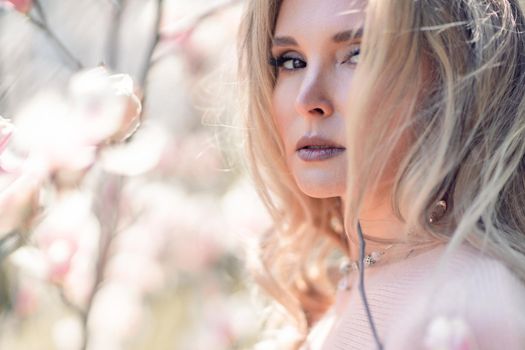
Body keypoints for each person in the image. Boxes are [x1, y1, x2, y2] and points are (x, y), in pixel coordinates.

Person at [237, 0, 525, 349]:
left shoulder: (461, 314)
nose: (307, 99)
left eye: (358, 53)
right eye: (291, 61)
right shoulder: (352, 279)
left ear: (455, 73)